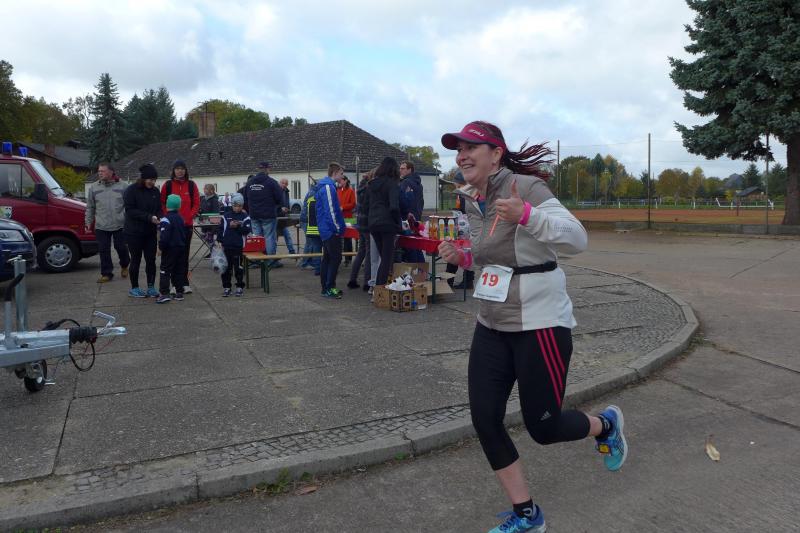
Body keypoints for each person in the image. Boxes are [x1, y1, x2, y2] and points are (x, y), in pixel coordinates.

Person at [438, 121, 628, 533]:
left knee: (544, 427)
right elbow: (495, 256)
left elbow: (577, 239)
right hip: (491, 323)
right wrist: (463, 258)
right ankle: (528, 515)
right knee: (485, 419)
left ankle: (606, 425)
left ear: (496, 154)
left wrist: (527, 214)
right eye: (458, 150)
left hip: (539, 324)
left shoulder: (525, 188)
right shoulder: (472, 198)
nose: (462, 156)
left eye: (471, 148)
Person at [160, 160, 200, 294]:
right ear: (173, 170)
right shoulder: (168, 185)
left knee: (184, 255)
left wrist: (189, 217)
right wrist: (168, 217)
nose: (180, 171)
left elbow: (196, 204)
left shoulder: (191, 185)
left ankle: (184, 283)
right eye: (177, 168)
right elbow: (162, 203)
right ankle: (174, 284)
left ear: (186, 170)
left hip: (186, 226)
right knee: (172, 256)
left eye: (182, 168)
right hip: (171, 227)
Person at [85, 162, 130, 283]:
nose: (100, 173)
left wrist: (129, 221)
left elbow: (129, 206)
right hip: (101, 225)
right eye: (99, 171)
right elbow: (90, 207)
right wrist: (88, 222)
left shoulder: (123, 186)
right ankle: (106, 273)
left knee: (121, 247)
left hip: (119, 224)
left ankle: (125, 265)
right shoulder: (94, 187)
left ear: (111, 172)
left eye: (103, 171)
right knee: (103, 250)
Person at [123, 164, 162, 298]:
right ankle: (134, 288)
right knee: (136, 259)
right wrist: (149, 217)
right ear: (143, 178)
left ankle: (151, 287)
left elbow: (159, 208)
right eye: (150, 179)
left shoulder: (155, 191)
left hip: (150, 233)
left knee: (151, 260)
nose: (152, 182)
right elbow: (130, 210)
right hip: (134, 232)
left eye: (154, 180)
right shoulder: (131, 190)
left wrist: (160, 217)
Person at [365, 157, 401, 287]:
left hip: (373, 223)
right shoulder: (392, 184)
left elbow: (366, 205)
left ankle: (379, 288)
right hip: (387, 224)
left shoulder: (371, 184)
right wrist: (399, 224)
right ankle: (380, 289)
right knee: (386, 259)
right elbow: (394, 207)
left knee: (383, 258)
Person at [314, 162, 346, 298]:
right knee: (335, 258)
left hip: (326, 229)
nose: (342, 176)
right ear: (335, 173)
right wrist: (337, 228)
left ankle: (326, 288)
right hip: (330, 230)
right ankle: (329, 287)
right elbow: (331, 211)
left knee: (328, 258)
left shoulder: (327, 186)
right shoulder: (328, 187)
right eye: (341, 173)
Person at [243, 162, 284, 268]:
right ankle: (270, 261)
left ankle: (257, 261)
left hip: (254, 214)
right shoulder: (272, 182)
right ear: (267, 169)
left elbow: (245, 198)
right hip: (268, 214)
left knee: (257, 238)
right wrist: (275, 206)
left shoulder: (250, 183)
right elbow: (280, 198)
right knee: (269, 237)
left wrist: (251, 209)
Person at [217, 193, 251, 297]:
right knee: (226, 268)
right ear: (232, 205)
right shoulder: (226, 216)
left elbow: (247, 230)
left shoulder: (245, 217)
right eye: (235, 205)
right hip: (227, 246)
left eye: (240, 206)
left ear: (242, 206)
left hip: (238, 246)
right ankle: (227, 287)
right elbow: (220, 229)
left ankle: (239, 286)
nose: (237, 208)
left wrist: (237, 227)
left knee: (238, 268)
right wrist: (220, 241)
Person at [155, 194, 187, 304]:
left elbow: (164, 237)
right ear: (179, 206)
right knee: (178, 270)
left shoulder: (165, 219)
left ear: (167, 205)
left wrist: (160, 248)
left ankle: (164, 293)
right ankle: (179, 292)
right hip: (181, 247)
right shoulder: (181, 218)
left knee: (165, 270)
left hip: (170, 249)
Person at [446, 170, 475, 290]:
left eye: (456, 184)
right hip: (468, 228)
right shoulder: (469, 193)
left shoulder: (465, 195)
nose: (455, 187)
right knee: (467, 254)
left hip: (465, 229)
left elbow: (464, 211)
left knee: (456, 252)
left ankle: (449, 281)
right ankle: (466, 281)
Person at [347, 168, 375, 290]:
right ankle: (367, 282)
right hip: (368, 223)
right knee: (369, 254)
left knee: (361, 252)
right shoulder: (370, 188)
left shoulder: (360, 188)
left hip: (360, 223)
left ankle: (352, 279)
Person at [399, 160, 425, 263]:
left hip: (408, 218)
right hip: (417, 217)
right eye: (400, 168)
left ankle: (415, 268)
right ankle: (421, 268)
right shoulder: (419, 183)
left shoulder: (405, 182)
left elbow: (402, 200)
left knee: (410, 246)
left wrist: (405, 213)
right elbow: (421, 201)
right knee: (417, 245)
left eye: (403, 168)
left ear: (409, 170)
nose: (400, 170)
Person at [299, 178, 322, 274]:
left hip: (307, 220)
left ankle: (311, 262)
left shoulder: (312, 191)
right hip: (307, 221)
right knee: (310, 243)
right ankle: (304, 263)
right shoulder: (314, 193)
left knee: (312, 243)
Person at [337, 176, 356, 266]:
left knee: (348, 238)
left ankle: (348, 258)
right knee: (340, 238)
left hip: (348, 217)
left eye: (341, 180)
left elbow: (353, 204)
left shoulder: (350, 191)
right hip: (339, 217)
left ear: (345, 181)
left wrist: (343, 207)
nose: (339, 181)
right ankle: (342, 257)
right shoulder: (338, 190)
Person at [200, 183, 221, 257]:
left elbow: (216, 212)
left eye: (206, 189)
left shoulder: (214, 200)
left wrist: (214, 224)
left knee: (210, 237)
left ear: (211, 190)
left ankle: (214, 252)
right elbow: (202, 210)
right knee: (205, 237)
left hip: (212, 223)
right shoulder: (203, 199)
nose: (204, 190)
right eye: (204, 189)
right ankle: (213, 251)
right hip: (204, 222)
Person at [277, 178, 297, 255]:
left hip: (283, 217)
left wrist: (287, 209)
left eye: (286, 183)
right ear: (279, 183)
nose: (284, 185)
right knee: (275, 237)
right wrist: (280, 208)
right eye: (283, 183)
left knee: (287, 235)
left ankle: (291, 251)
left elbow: (286, 203)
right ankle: (272, 254)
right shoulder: (276, 191)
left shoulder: (286, 192)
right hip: (276, 217)